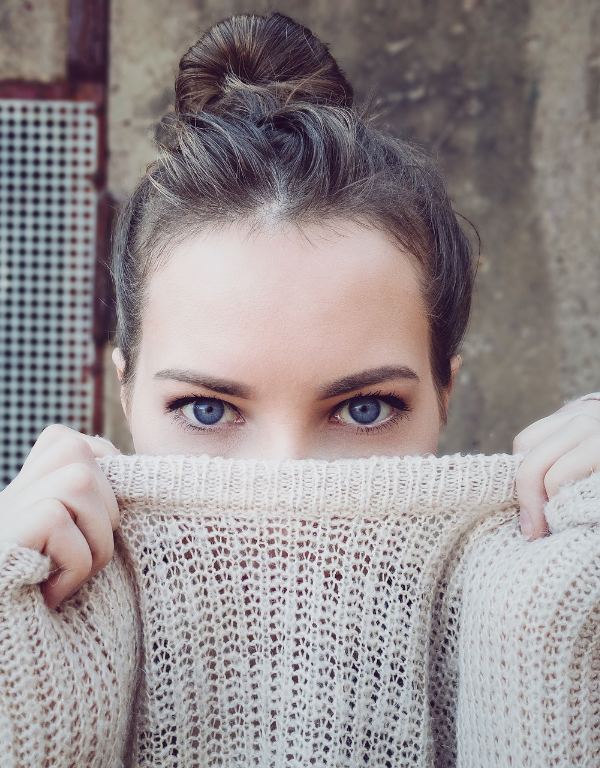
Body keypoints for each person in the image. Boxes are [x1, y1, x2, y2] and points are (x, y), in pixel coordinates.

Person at [0, 12, 599, 613]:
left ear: (444, 393)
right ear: (127, 394)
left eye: (364, 410)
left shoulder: (536, 610)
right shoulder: (37, 615)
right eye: (207, 411)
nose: (284, 507)